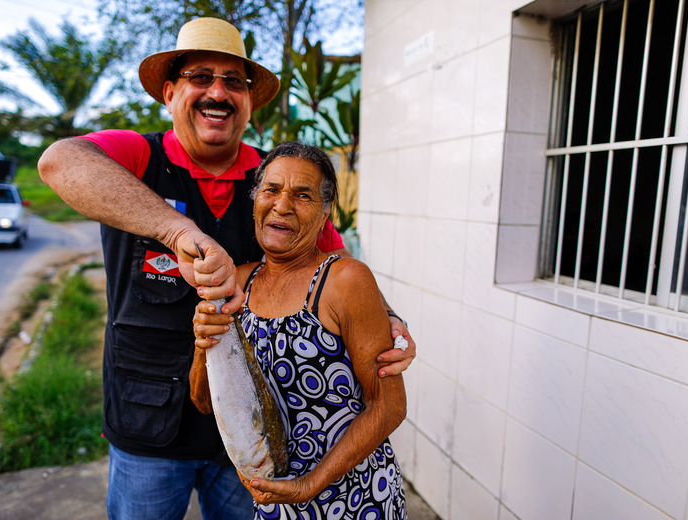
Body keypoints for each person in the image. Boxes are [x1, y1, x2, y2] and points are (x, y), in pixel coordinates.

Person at [38, 17, 415, 520]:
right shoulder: (138, 156)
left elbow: (337, 262)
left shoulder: (274, 179)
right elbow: (59, 162)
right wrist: (177, 231)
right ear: (169, 93)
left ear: (249, 101)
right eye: (200, 77)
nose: (218, 92)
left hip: (250, 435)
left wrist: (386, 317)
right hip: (146, 426)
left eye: (234, 82)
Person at [192, 141, 407, 519]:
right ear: (255, 199)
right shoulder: (238, 283)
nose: (282, 205)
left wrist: (309, 485)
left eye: (303, 195)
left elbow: (389, 405)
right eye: (271, 190)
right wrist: (201, 343)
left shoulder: (344, 280)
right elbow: (207, 403)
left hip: (355, 500)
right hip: (275, 505)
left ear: (326, 212)